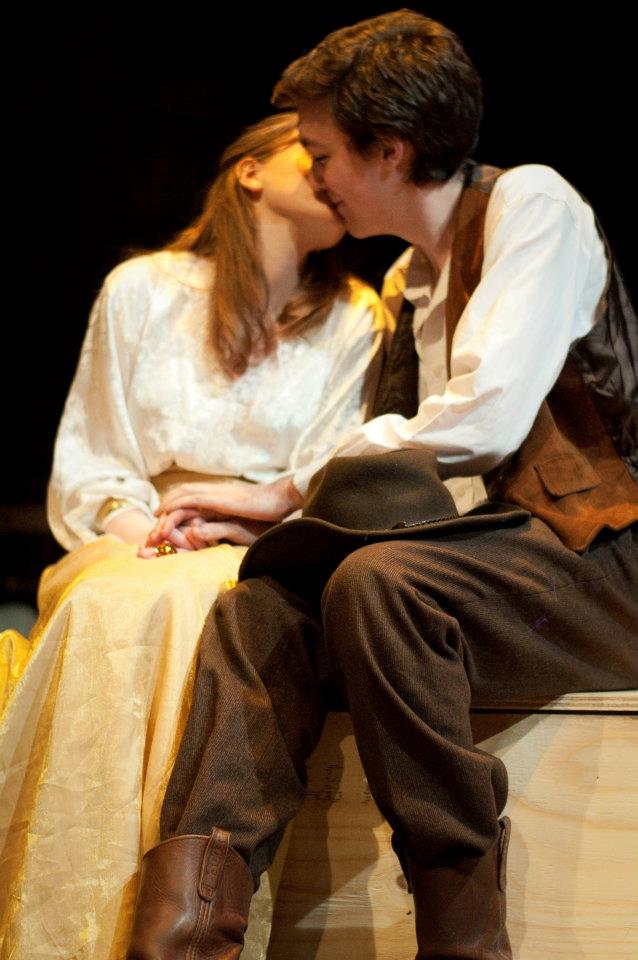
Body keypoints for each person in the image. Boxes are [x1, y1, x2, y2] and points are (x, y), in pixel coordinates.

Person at [126, 11, 638, 960]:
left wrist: (285, 492)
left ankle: (464, 943)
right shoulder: (409, 282)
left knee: (381, 585)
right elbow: (402, 490)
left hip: (596, 566)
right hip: (471, 575)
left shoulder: (532, 205)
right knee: (259, 608)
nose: (315, 175)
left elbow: (487, 419)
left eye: (323, 154)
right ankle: (185, 940)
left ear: (391, 151)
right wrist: (276, 531)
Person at [0, 112, 385, 960]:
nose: (336, 171)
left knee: (210, 603)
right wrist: (150, 532)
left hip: (265, 543)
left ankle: (185, 917)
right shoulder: (142, 289)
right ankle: (74, 920)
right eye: (315, 153)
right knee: (115, 600)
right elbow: (94, 457)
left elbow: (333, 475)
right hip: (134, 532)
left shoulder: (356, 317)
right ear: (250, 171)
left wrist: (235, 521)